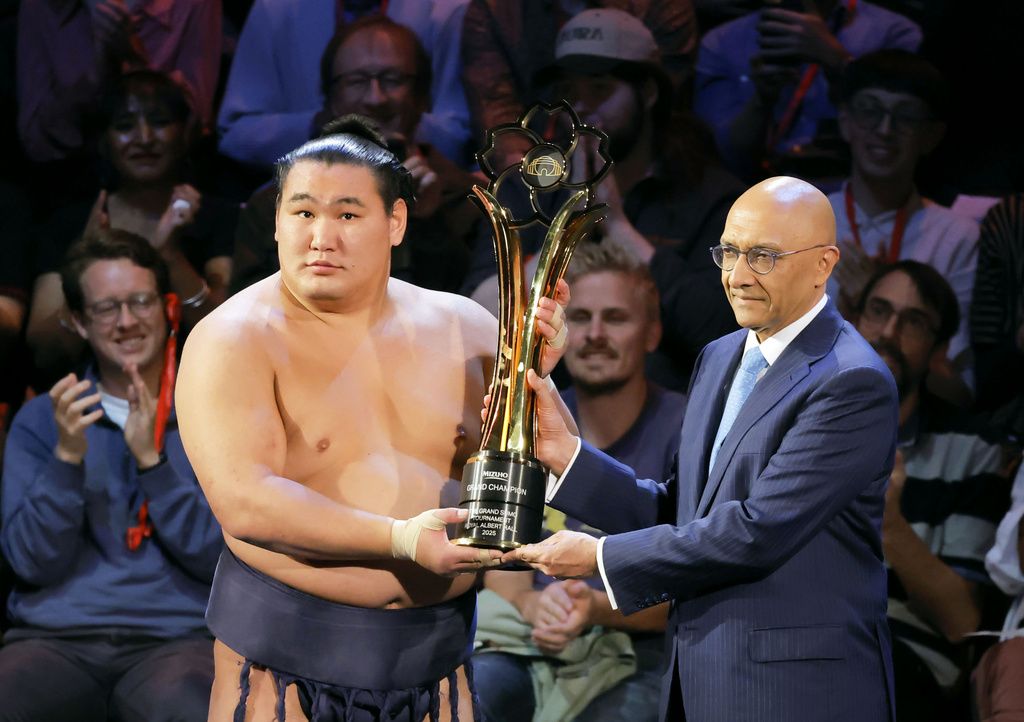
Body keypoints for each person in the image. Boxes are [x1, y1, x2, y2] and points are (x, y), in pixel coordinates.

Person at [175, 116, 569, 721]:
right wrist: (402, 540)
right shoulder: (232, 338)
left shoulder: (467, 327)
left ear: (396, 223)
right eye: (302, 213)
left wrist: (536, 380)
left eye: (348, 215)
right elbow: (246, 502)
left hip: (438, 667)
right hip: (285, 669)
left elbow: (539, 463)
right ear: (276, 221)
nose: (321, 237)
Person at [505, 176, 900, 721]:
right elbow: (685, 511)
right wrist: (566, 454)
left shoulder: (851, 381)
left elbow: (756, 532)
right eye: (730, 252)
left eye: (762, 256)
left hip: (799, 692)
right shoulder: (719, 356)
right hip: (700, 678)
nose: (737, 276)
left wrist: (597, 556)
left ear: (823, 264)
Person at [0, 230, 222, 722]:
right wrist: (65, 460)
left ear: (166, 309)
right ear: (78, 321)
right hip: (55, 641)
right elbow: (33, 564)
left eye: (140, 302)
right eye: (106, 308)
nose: (126, 322)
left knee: (193, 709)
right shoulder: (44, 420)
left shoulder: (212, 415)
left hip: (178, 641)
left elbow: (221, 562)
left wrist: (153, 464)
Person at [464, 7, 744, 389]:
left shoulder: (706, 195)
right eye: (569, 93)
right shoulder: (522, 190)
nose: (580, 110)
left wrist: (617, 228)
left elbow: (719, 331)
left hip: (667, 421)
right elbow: (476, 319)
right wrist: (564, 232)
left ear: (646, 93)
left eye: (599, 89)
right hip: (544, 406)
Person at [473, 240, 683, 722]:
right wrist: (528, 602)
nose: (594, 334)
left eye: (616, 318)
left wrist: (594, 608)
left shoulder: (686, 427)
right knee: (473, 699)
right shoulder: (528, 415)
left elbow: (699, 570)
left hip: (639, 648)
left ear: (652, 333)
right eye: (581, 318)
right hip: (525, 638)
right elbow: (492, 544)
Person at [854, 260, 1012, 722]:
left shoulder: (972, 449)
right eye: (878, 311)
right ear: (853, 319)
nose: (889, 331)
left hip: (902, 653)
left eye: (914, 322)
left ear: (938, 349)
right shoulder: (798, 423)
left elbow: (962, 622)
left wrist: (889, 524)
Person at [228, 15, 479, 295]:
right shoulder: (279, 202)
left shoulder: (469, 200)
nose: (376, 98)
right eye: (357, 81)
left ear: (422, 97)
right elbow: (251, 312)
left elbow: (467, 311)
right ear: (330, 99)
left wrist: (429, 225)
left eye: (393, 79)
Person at [25, 69, 237, 385]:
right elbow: (46, 351)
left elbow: (230, 339)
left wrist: (170, 256)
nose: (144, 138)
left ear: (184, 133)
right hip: (92, 393)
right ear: (104, 140)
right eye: (125, 126)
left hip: (198, 391)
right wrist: (85, 263)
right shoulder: (70, 224)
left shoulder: (219, 217)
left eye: (160, 122)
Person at [829, 50, 978, 405]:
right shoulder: (803, 217)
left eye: (905, 117)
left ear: (931, 136)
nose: (885, 130)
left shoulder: (956, 235)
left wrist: (874, 301)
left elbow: (959, 390)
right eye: (870, 111)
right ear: (845, 120)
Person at [216, 0, 471, 169]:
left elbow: (462, 134)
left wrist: (396, 127)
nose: (375, 98)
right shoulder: (276, 9)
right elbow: (235, 133)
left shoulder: (446, 9)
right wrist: (321, 124)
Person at [694, 0, 921, 181]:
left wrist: (838, 60)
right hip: (757, 192)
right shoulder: (722, 42)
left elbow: (902, 129)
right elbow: (723, 156)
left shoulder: (894, 33)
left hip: (854, 193)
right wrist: (762, 100)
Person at [16, 0, 221, 164]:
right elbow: (39, 142)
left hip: (167, 180)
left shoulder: (193, 4)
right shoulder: (42, 6)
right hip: (72, 181)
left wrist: (133, 54)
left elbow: (196, 125)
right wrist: (99, 66)